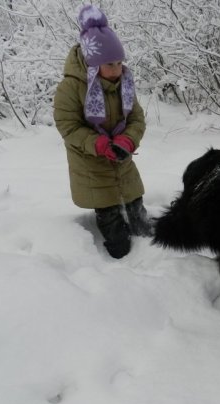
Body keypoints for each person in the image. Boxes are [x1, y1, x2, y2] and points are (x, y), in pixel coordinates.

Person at [54, 5, 151, 259]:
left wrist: (127, 141)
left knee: (135, 204)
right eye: (109, 63)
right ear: (92, 63)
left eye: (119, 62)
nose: (117, 69)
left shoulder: (124, 83)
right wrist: (99, 144)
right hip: (90, 162)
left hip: (122, 157)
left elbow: (137, 117)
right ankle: (118, 260)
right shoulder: (71, 88)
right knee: (108, 211)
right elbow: (68, 126)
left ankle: (149, 250)